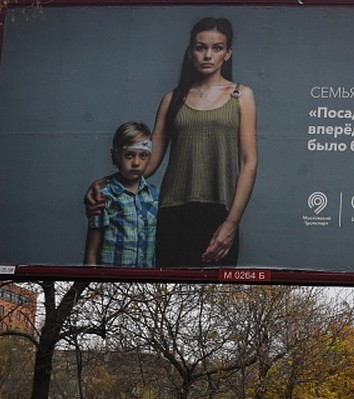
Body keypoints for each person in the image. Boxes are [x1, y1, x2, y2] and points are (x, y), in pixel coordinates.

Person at [87, 17, 257, 267]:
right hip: (172, 213)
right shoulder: (172, 99)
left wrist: (232, 222)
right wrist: (102, 184)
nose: (208, 55)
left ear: (227, 53)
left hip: (220, 214)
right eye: (201, 47)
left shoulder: (241, 95)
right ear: (190, 52)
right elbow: (149, 160)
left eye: (217, 48)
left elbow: (249, 162)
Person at [84, 122, 159, 267]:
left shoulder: (153, 195)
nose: (136, 162)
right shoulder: (105, 195)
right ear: (116, 156)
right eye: (129, 155)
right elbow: (91, 252)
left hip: (145, 279)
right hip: (111, 278)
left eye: (143, 156)